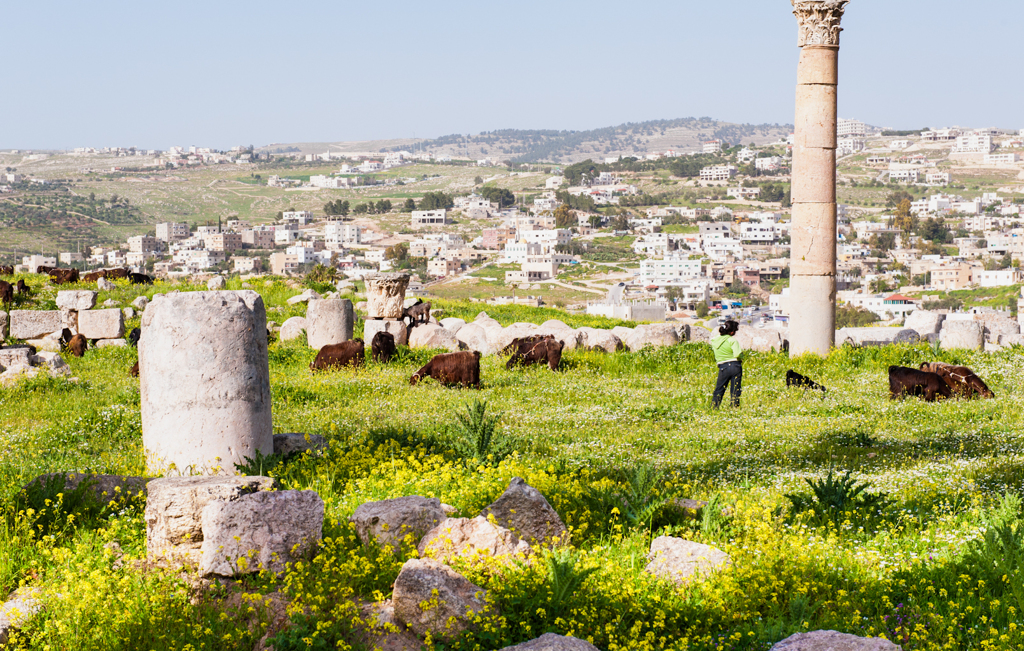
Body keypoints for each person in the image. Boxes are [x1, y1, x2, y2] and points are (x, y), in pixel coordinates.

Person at [710, 319, 743, 408]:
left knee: (719, 389)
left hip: (723, 367)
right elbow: (737, 354)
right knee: (735, 390)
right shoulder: (732, 341)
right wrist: (741, 357)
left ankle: (714, 407)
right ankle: (734, 407)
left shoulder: (714, 341)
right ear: (732, 332)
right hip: (735, 366)